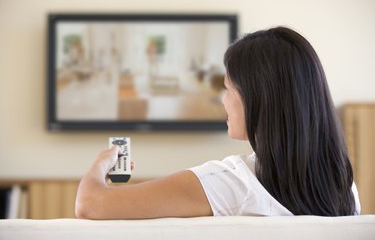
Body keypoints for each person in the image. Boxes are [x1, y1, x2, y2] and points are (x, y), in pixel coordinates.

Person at [75, 27, 360, 219]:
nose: (222, 100)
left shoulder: (229, 182)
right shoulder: (343, 187)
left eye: (228, 88)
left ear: (259, 97)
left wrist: (101, 164)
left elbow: (90, 204)